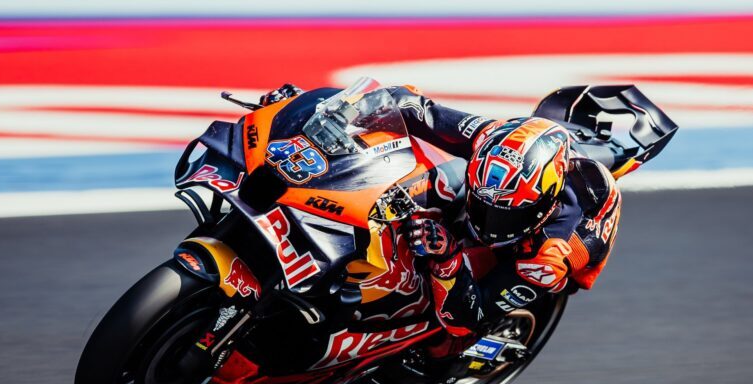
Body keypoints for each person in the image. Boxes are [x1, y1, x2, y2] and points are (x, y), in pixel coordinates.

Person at [260, 83, 621, 340]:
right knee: (427, 175)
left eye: (503, 214)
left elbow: (466, 319)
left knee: (444, 338)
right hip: (511, 179)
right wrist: (322, 113)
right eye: (484, 204)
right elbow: (407, 105)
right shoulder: (489, 138)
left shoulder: (549, 256)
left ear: (544, 204)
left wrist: (448, 258)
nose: (489, 221)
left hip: (550, 250)